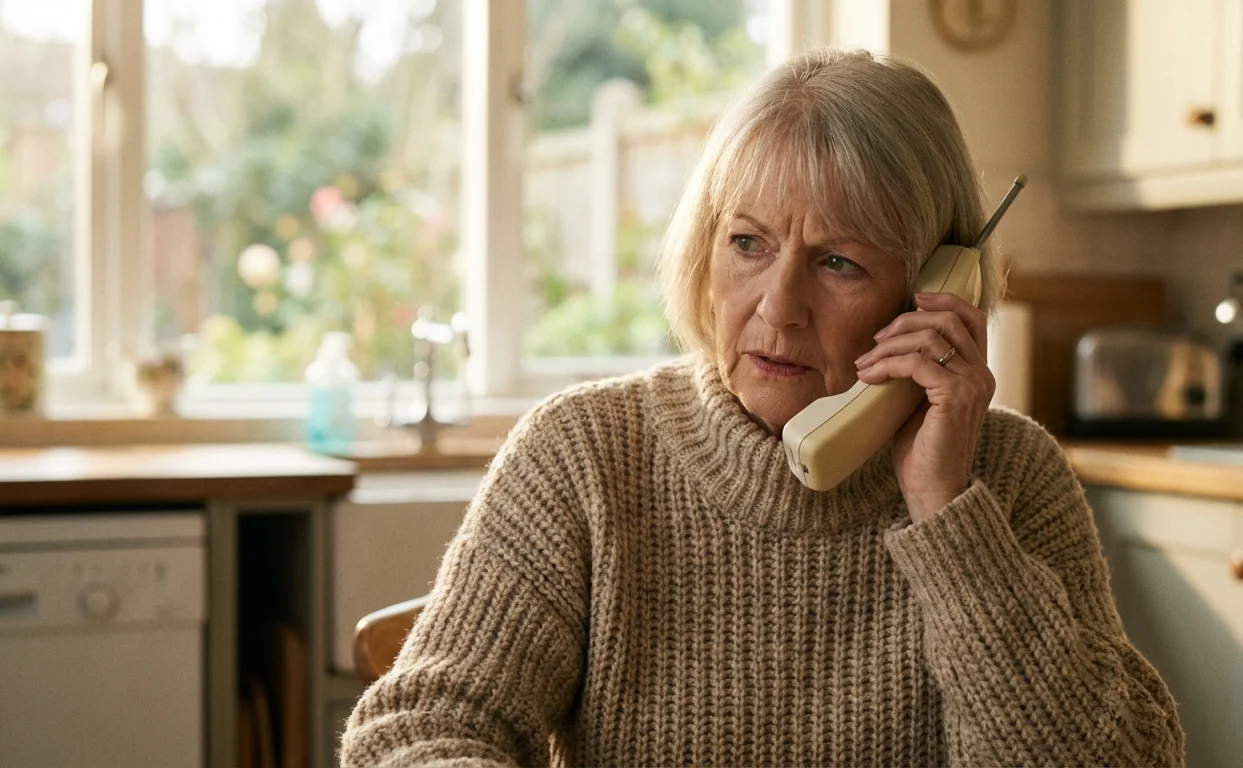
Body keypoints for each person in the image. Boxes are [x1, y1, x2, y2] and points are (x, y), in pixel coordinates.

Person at [340, 47, 1185, 767]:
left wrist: (948, 512)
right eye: (748, 243)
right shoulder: (585, 454)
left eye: (838, 262)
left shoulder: (1011, 478)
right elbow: (418, 728)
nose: (778, 306)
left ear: (934, 287)